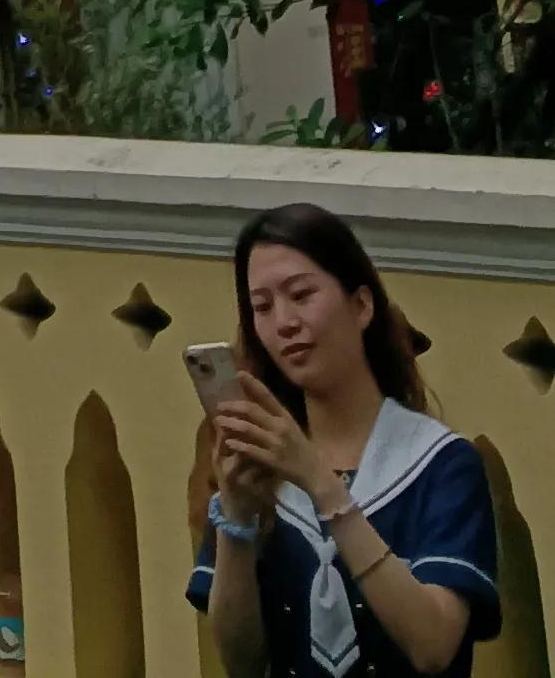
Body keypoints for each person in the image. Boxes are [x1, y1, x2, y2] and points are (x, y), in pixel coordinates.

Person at [193, 199, 501, 678]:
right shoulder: (266, 463)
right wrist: (235, 518)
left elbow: (434, 646)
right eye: (263, 307)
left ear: (361, 304)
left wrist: (322, 482)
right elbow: (243, 663)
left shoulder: (440, 463)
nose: (285, 323)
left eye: (301, 294)